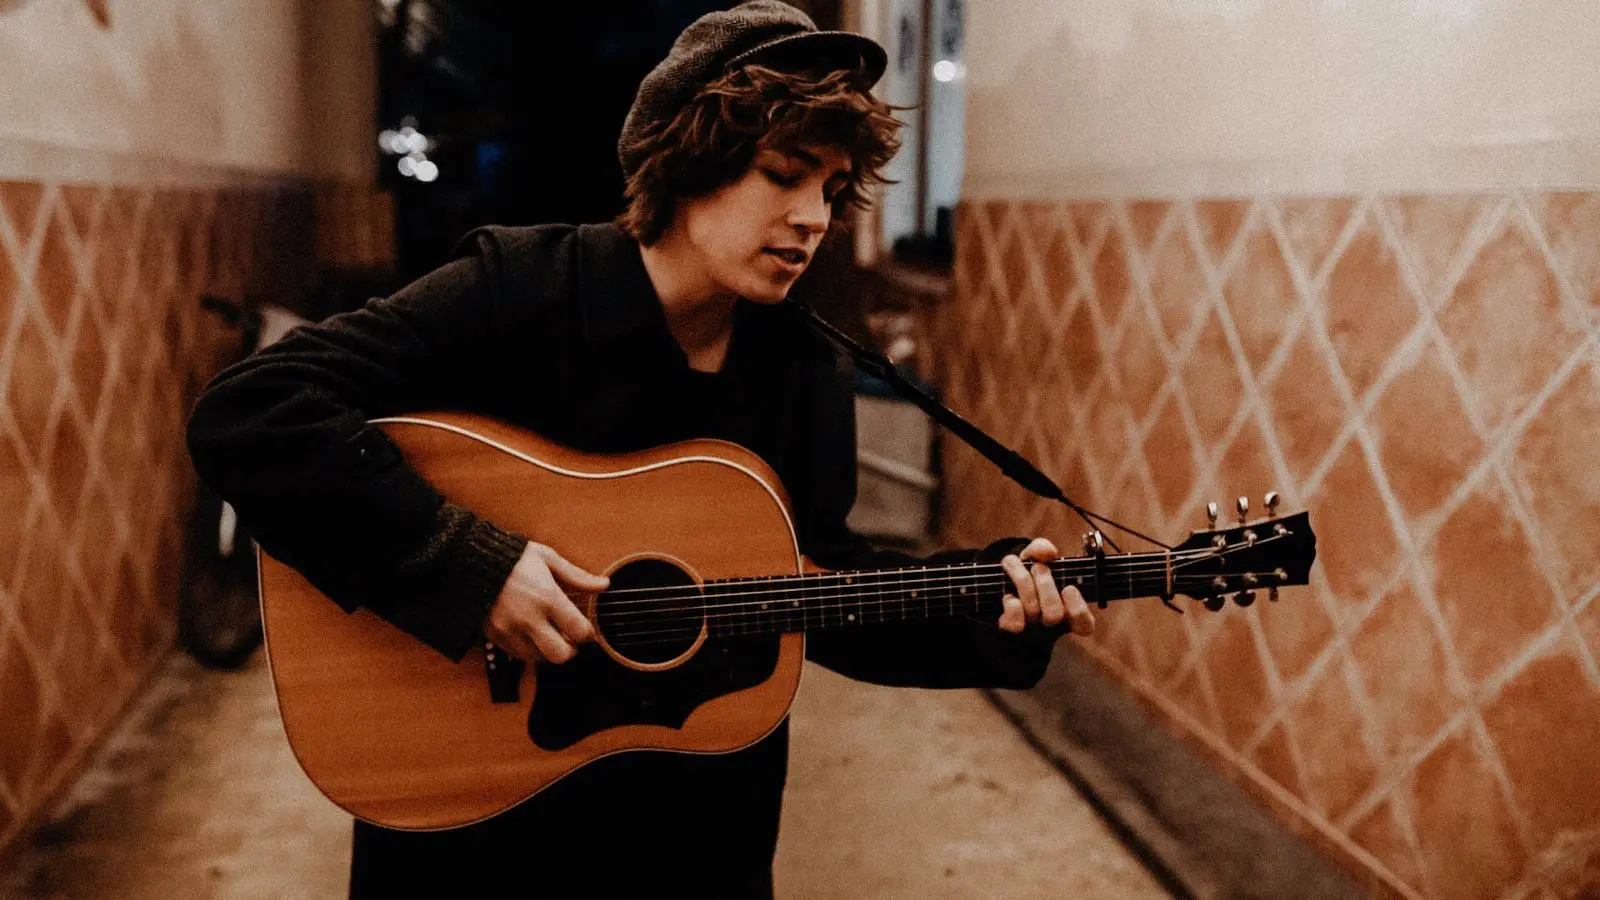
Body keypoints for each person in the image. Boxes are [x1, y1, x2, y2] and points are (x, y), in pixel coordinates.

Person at [186, 2, 1095, 896]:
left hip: (695, 828)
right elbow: (254, 410)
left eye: (830, 189)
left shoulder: (802, 366)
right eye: (784, 175)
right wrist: (472, 568)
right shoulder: (522, 290)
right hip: (477, 823)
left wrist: (991, 611)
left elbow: (814, 585)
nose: (814, 218)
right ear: (690, 163)